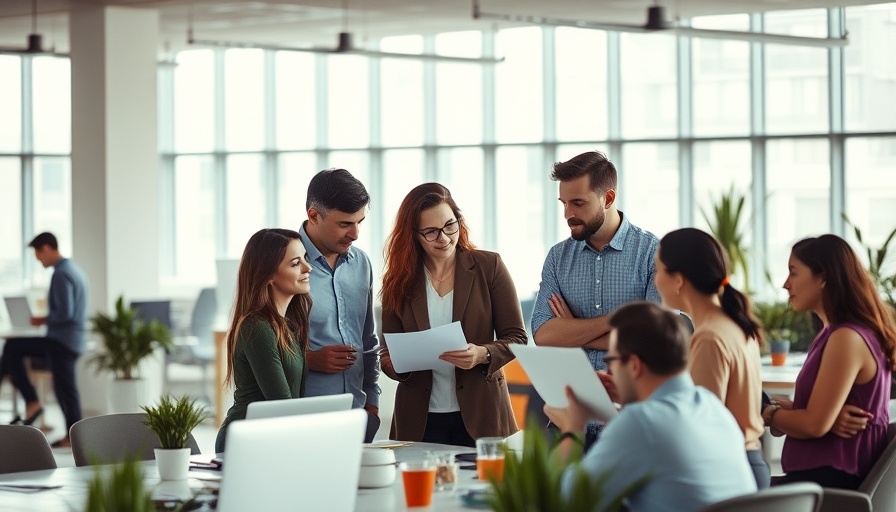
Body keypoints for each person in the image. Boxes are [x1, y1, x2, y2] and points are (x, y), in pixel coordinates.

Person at [544, 301, 757, 512]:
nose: (609, 371)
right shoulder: (711, 404)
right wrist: (628, 401)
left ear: (634, 365)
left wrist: (572, 429)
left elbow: (564, 501)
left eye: (612, 360)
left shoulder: (640, 422)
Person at [379, 183, 526, 446]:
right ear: (414, 235)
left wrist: (482, 354)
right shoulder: (397, 281)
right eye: (431, 232)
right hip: (419, 419)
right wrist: (397, 364)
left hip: (481, 414)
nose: (444, 238)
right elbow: (387, 353)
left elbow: (517, 338)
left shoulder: (489, 266)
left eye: (450, 225)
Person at [532, 150, 660, 446]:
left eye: (578, 203)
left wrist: (573, 331)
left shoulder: (651, 253)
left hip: (628, 424)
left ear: (608, 198)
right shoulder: (558, 257)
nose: (568, 214)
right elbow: (544, 335)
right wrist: (616, 321)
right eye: (564, 203)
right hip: (567, 419)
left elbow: (652, 343)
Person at [766, 234, 896, 489]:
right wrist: (796, 411)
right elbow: (820, 418)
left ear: (823, 277)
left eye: (794, 272)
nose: (785, 284)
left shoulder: (846, 337)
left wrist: (767, 414)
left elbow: (814, 424)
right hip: (821, 481)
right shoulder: (833, 333)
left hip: (830, 486)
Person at [654, 228, 769, 488]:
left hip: (729, 471)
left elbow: (700, 426)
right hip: (746, 463)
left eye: (657, 270)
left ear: (678, 280)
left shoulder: (709, 337)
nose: (655, 280)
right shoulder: (735, 325)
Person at [298, 169, 381, 442]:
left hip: (357, 417)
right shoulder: (284, 262)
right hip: (302, 420)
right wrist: (309, 360)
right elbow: (260, 348)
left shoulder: (362, 263)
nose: (355, 234)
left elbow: (367, 340)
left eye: (360, 222)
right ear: (314, 216)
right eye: (345, 224)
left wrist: (372, 404)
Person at [215, 228, 312, 453]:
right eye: (296, 263)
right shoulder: (256, 327)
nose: (308, 268)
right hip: (244, 443)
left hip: (266, 439)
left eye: (305, 259)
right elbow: (282, 405)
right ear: (268, 275)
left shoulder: (286, 325)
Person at [0, 232, 88, 448]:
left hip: (62, 341)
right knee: (63, 388)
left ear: (47, 248)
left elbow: (65, 313)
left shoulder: (61, 274)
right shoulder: (74, 270)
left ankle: (34, 403)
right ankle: (70, 434)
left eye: (38, 255)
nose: (39, 260)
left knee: (13, 349)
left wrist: (41, 319)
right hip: (72, 340)